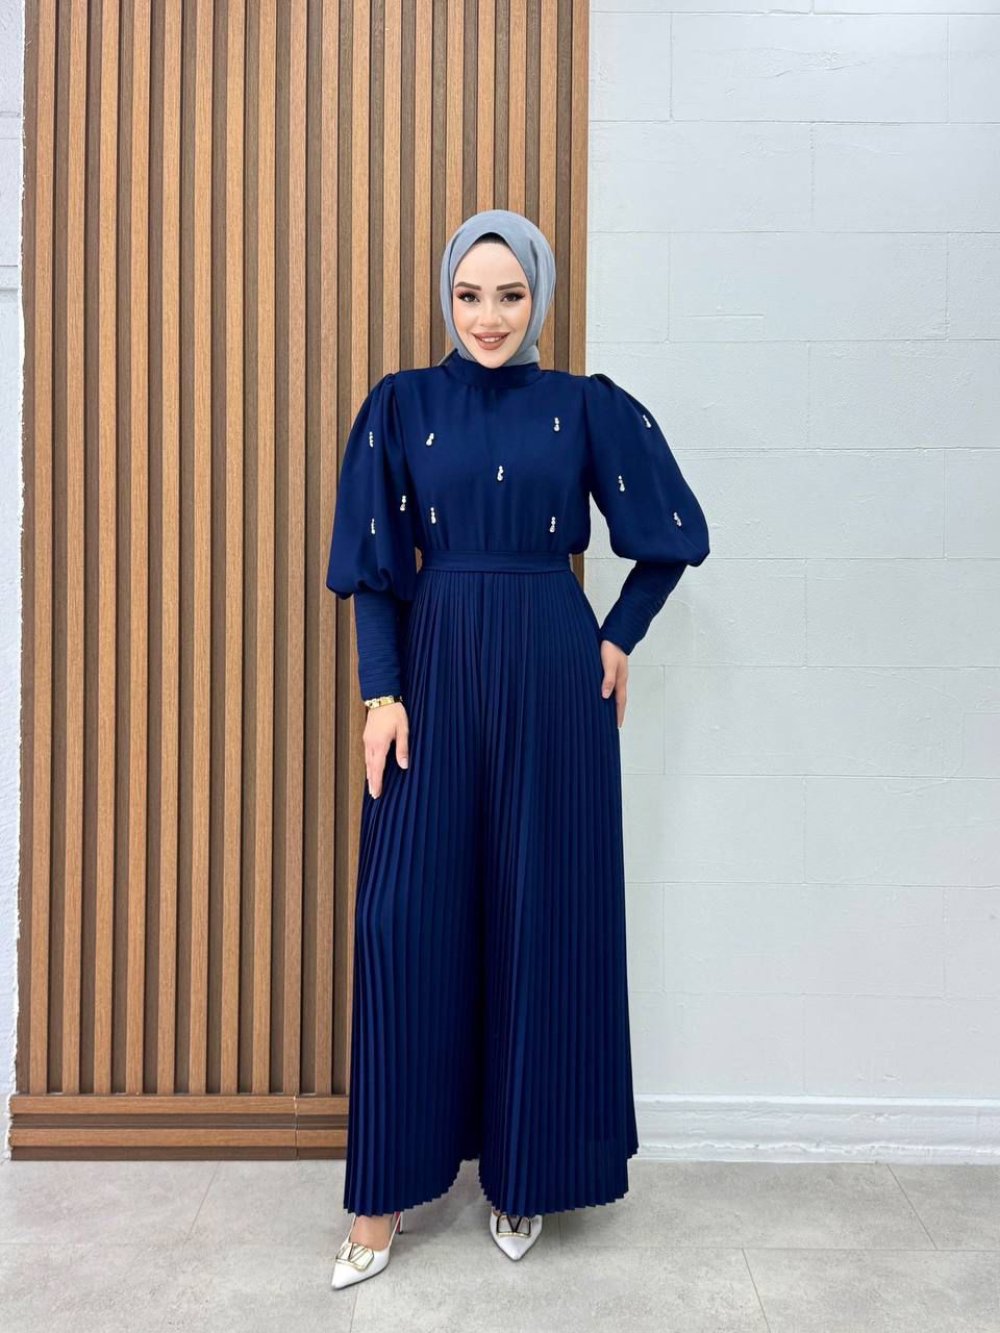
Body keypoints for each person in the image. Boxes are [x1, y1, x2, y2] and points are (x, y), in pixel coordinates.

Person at [325, 208, 710, 1288]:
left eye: (509, 294)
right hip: (436, 671)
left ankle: (522, 1173)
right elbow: (373, 564)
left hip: (550, 675)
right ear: (446, 297)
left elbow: (672, 537)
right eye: (469, 294)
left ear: (537, 298)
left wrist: (616, 636)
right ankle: (380, 1197)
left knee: (538, 916)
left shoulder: (582, 406)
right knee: (401, 921)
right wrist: (381, 693)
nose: (488, 316)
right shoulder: (401, 404)